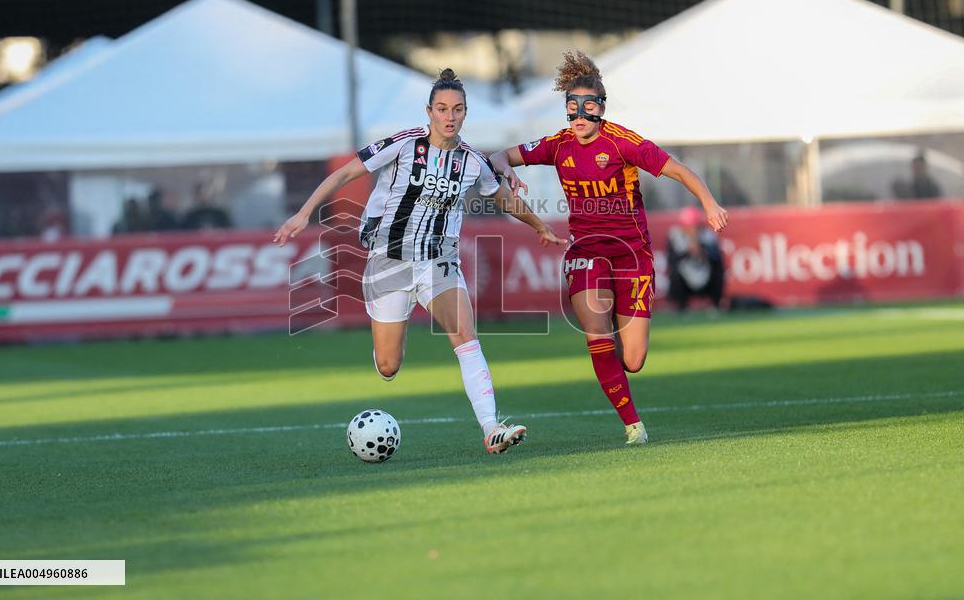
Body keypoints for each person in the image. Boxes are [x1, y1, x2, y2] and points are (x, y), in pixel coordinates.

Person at [274, 69, 565, 454]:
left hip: (438, 259)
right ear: (429, 112)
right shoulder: (404, 145)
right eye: (442, 109)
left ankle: (492, 428)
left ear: (465, 113)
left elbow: (501, 198)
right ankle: (390, 337)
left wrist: (539, 226)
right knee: (389, 365)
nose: (450, 116)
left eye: (457, 109)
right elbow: (347, 171)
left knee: (465, 336)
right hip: (388, 261)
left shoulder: (472, 162)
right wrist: (305, 213)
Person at [489, 51, 728, 446]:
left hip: (632, 254)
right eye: (572, 109)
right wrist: (508, 168)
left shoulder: (623, 143)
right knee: (596, 335)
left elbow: (680, 170)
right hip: (585, 250)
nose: (579, 117)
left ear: (601, 109)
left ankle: (613, 353)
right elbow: (498, 156)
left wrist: (709, 202)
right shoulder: (557, 145)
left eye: (587, 108)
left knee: (632, 360)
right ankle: (634, 425)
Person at [666, 205, 726, 313]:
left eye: (695, 227)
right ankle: (681, 307)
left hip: (706, 279)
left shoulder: (708, 236)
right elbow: (671, 261)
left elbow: (717, 259)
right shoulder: (675, 237)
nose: (692, 230)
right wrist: (687, 252)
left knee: (719, 271)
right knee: (675, 273)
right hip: (685, 280)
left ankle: (715, 304)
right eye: (688, 227)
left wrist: (703, 251)